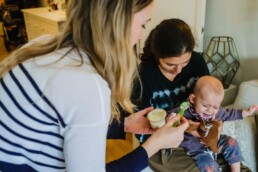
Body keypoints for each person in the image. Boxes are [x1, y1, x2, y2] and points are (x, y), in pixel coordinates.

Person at [0, 1, 189, 172]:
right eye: (143, 24)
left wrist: (124, 125)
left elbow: (65, 126)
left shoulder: (44, 46)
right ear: (118, 21)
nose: (141, 35)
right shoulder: (86, 83)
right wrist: (154, 145)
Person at [132, 18, 209, 171]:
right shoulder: (143, 76)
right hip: (163, 145)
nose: (178, 70)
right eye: (170, 64)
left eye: (185, 62)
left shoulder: (197, 62)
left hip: (198, 137)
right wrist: (181, 128)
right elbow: (141, 130)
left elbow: (211, 99)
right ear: (157, 55)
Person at [174, 75, 258, 172]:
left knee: (232, 142)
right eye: (205, 105)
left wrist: (246, 112)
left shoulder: (217, 112)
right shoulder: (184, 110)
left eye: (215, 107)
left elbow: (229, 114)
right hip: (196, 148)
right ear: (193, 99)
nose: (209, 111)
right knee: (210, 166)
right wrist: (186, 125)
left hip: (215, 142)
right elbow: (169, 119)